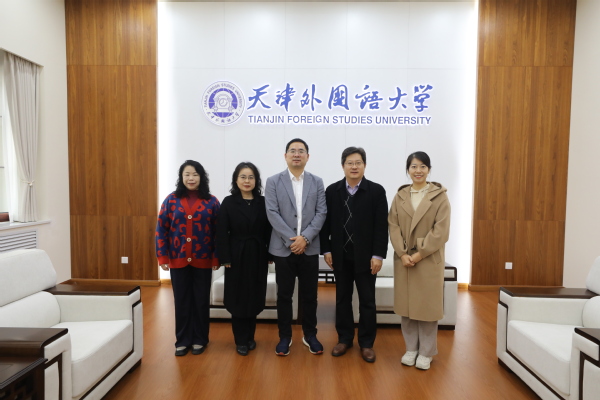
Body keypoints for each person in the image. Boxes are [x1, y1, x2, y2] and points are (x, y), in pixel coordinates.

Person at [320, 147, 388, 363]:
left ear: (364, 165)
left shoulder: (376, 191)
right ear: (343, 166)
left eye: (358, 162)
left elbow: (381, 227)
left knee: (367, 301)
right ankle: (344, 339)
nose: (354, 166)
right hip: (340, 256)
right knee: (342, 299)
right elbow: (324, 224)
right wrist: (326, 250)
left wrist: (378, 255)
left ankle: (366, 343)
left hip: (367, 258)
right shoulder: (332, 191)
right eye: (350, 163)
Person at [388, 151, 451, 370]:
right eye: (414, 166)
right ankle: (411, 349)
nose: (418, 171)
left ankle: (426, 352)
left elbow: (441, 231)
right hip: (404, 259)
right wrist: (402, 253)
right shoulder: (400, 196)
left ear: (429, 170)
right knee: (407, 308)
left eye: (423, 166)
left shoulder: (439, 196)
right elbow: (393, 226)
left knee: (427, 309)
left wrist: (419, 253)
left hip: (428, 259)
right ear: (408, 170)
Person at [265, 138, 327, 356]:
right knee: (284, 295)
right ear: (286, 156)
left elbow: (321, 212)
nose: (297, 154)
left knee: (310, 295)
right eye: (292, 151)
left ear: (307, 156)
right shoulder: (273, 181)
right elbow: (272, 213)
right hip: (284, 249)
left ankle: (310, 335)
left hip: (309, 248)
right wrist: (292, 240)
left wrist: (305, 238)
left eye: (301, 151)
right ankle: (285, 336)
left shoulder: (317, 182)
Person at [155, 160, 220, 356]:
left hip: (203, 259)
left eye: (195, 174)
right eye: (187, 174)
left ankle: (200, 339)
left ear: (202, 177)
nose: (191, 178)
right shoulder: (171, 200)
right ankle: (182, 340)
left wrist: (216, 258)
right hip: (178, 259)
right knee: (181, 301)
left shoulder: (212, 201)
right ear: (181, 177)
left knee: (201, 300)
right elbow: (161, 229)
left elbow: (218, 233)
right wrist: (162, 256)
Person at [216, 162, 272, 356]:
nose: (247, 181)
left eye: (251, 177)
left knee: (255, 293)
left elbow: (269, 230)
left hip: (258, 253)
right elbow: (221, 232)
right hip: (236, 254)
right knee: (238, 295)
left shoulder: (263, 202)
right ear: (236, 179)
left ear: (256, 180)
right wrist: (225, 258)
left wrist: (270, 254)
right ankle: (240, 339)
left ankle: (250, 337)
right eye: (243, 177)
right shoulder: (229, 202)